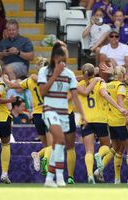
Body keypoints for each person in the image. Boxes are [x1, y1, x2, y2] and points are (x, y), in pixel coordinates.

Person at [38, 43, 86, 187]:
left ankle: (50, 179)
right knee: (59, 138)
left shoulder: (70, 74)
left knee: (59, 144)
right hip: (49, 110)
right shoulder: (44, 71)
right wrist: (56, 74)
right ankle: (59, 176)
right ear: (54, 58)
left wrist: (83, 115)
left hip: (64, 113)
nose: (63, 62)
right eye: (61, 58)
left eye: (65, 59)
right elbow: (42, 92)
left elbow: (75, 97)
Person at [77, 63, 127, 184]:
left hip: (86, 120)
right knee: (105, 145)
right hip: (100, 119)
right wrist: (119, 108)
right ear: (94, 73)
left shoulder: (78, 84)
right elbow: (105, 95)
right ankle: (99, 155)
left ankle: (89, 176)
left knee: (88, 150)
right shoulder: (100, 82)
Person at [3, 70, 51, 175]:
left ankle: (40, 157)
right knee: (52, 145)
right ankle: (42, 158)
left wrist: (5, 78)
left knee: (47, 145)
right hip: (48, 113)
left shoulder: (29, 81)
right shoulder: (50, 81)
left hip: (37, 115)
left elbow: (12, 85)